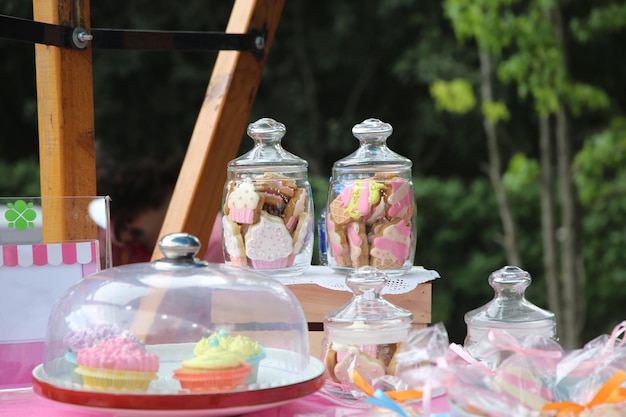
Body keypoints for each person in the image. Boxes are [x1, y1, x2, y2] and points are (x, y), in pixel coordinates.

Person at [96, 152, 223, 267]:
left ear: (165, 194)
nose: (119, 238)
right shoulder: (110, 241)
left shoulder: (211, 240)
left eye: (127, 220)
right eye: (112, 221)